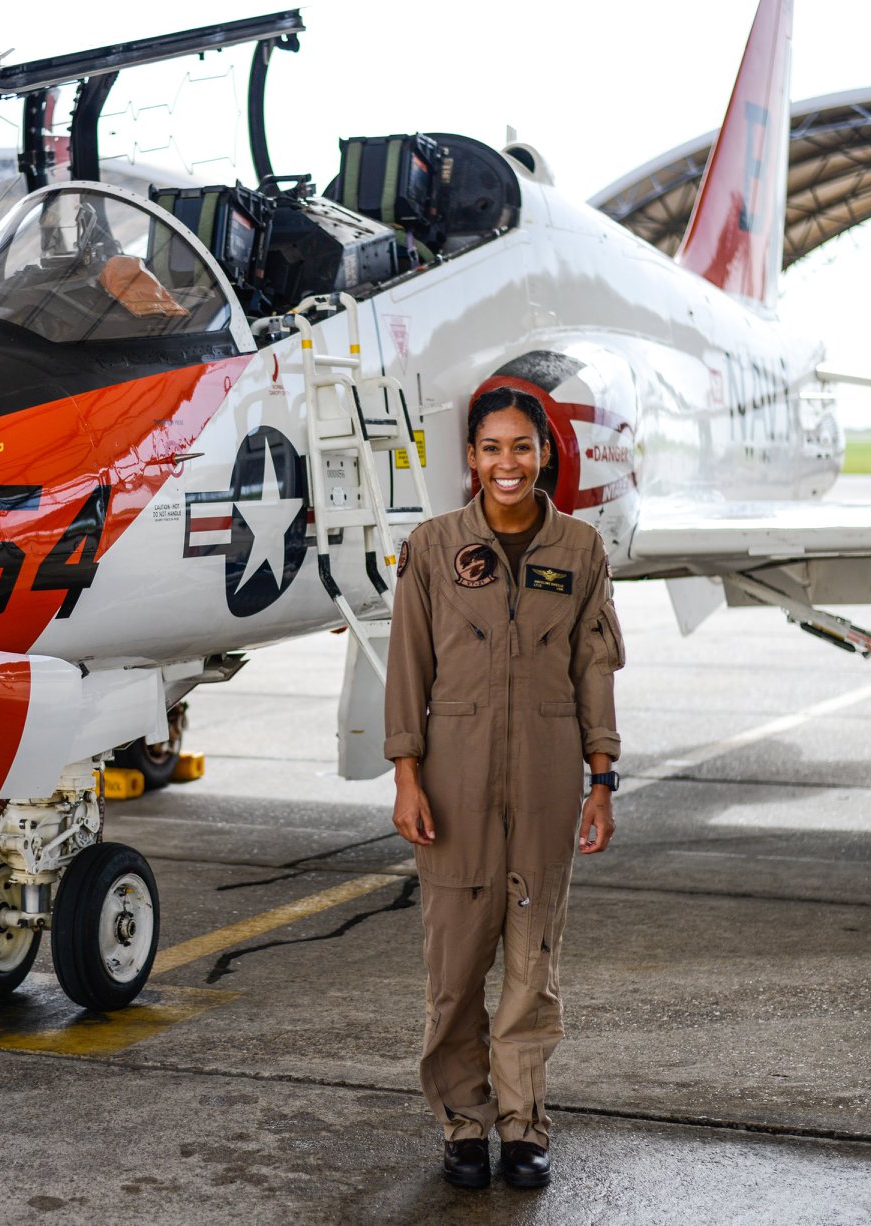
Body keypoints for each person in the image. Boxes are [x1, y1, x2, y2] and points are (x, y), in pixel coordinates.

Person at [384, 385, 623, 1191]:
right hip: (453, 783)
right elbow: (408, 672)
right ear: (472, 457)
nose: (507, 464)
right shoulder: (432, 547)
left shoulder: (581, 551)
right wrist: (406, 775)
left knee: (533, 967)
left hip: (550, 782)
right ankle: (462, 1123)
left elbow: (594, 670)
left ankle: (523, 1126)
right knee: (454, 972)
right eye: (492, 448)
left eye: (522, 446)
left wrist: (602, 777)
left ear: (544, 453)